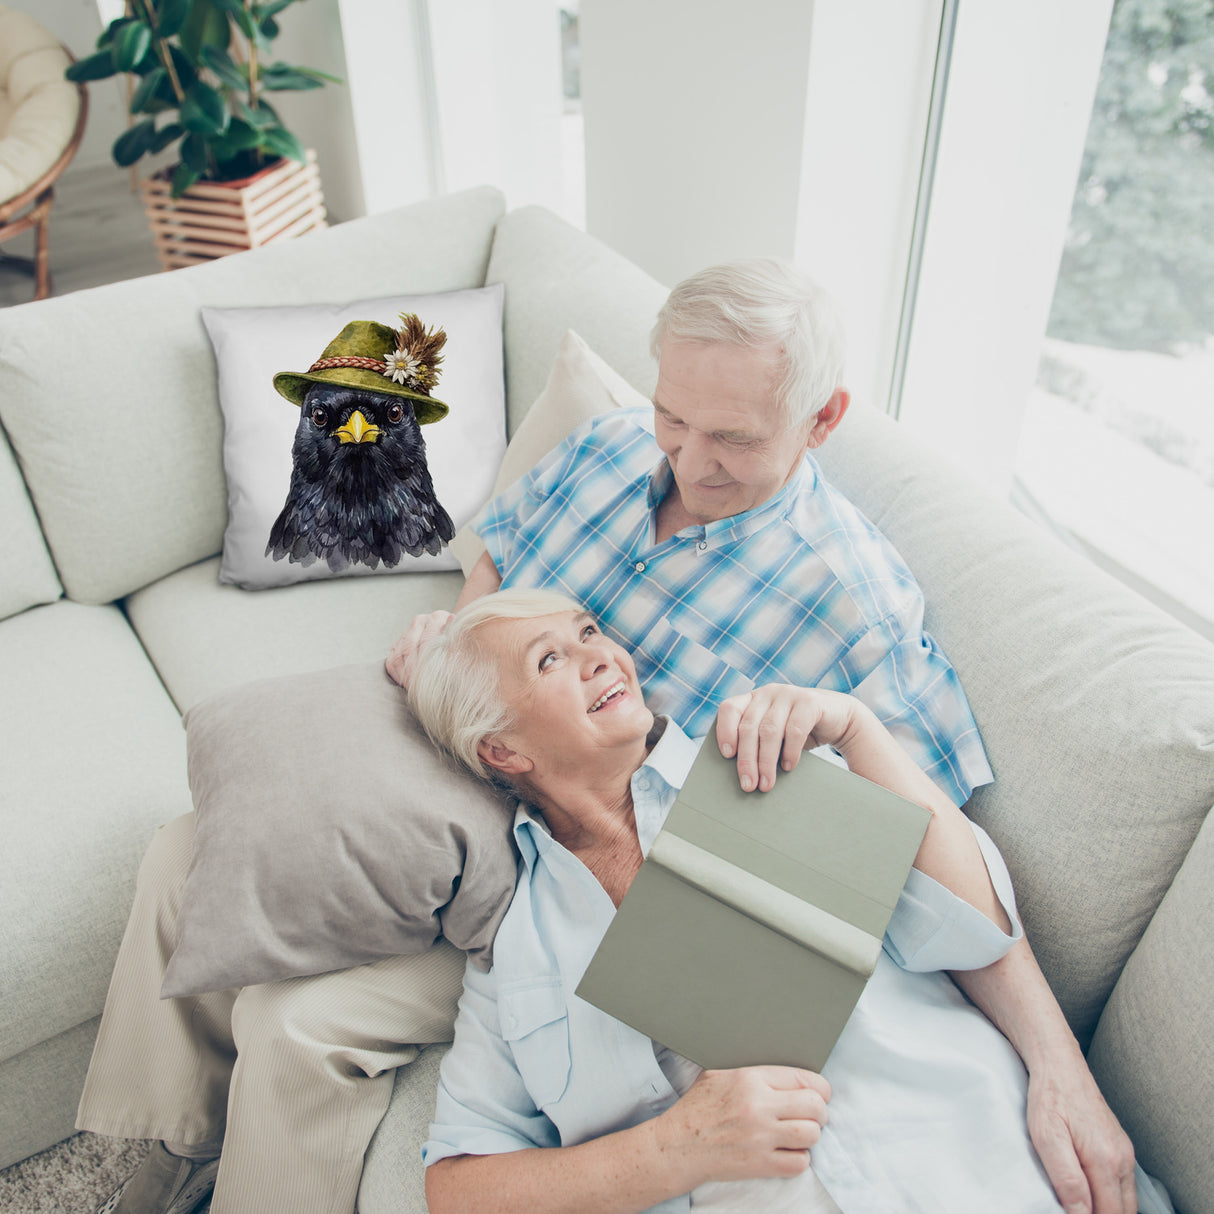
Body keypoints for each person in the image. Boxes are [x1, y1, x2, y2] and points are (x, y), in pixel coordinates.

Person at [389, 259, 1136, 1213]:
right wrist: (462, 657)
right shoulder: (608, 450)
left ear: (822, 420)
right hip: (493, 833)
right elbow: (500, 551)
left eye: (732, 438)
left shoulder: (830, 661)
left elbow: (944, 885)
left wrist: (1058, 1069)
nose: (689, 462)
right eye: (674, 418)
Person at [407, 589, 1161, 1214]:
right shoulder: (516, 952)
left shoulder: (762, 762)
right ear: (502, 750)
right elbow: (458, 1187)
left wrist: (859, 731)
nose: (601, 654)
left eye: (589, 632)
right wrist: (673, 1150)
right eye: (550, 659)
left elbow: (973, 929)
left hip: (986, 1167)